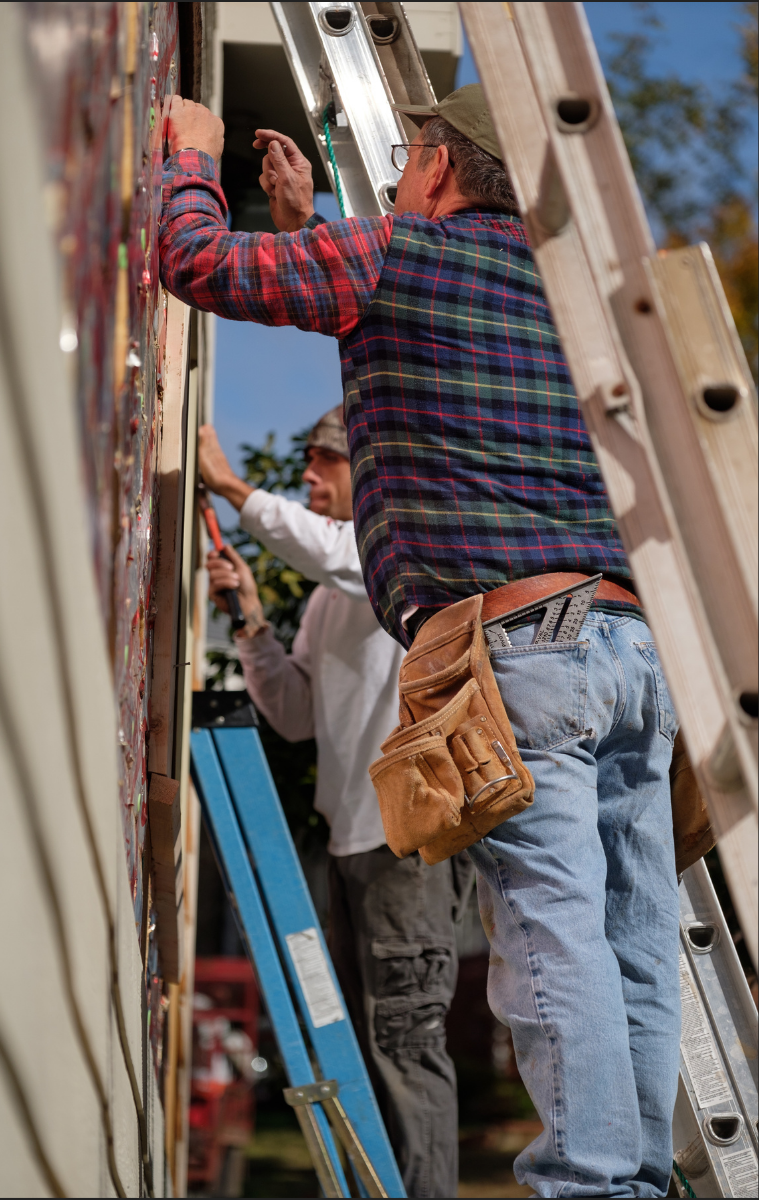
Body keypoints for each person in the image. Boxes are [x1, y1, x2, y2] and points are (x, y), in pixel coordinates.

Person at [162, 86, 677, 1196]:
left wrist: (193, 160)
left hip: (527, 654)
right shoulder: (570, 297)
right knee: (630, 940)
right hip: (633, 651)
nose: (391, 193)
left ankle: (592, 1187)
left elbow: (199, 263)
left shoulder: (399, 255)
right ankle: (634, 1179)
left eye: (402, 172)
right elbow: (414, 346)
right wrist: (317, 225)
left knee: (551, 941)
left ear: (438, 167)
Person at [198, 411, 470, 1197]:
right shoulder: (328, 598)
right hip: (354, 841)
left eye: (322, 462)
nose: (309, 479)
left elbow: (342, 554)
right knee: (357, 1044)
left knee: (405, 1042)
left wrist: (230, 488)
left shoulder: (403, 552)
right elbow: (294, 715)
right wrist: (251, 621)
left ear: (369, 465)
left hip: (408, 843)